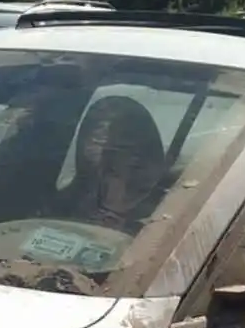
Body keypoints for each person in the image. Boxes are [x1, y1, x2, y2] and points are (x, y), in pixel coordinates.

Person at [62, 95, 169, 231]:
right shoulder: (69, 201)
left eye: (121, 145)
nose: (102, 151)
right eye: (97, 140)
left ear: (143, 149)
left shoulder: (165, 210)